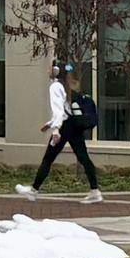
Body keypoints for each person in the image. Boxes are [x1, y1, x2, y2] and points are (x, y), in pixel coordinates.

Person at [15, 61, 103, 204]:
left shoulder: (55, 86)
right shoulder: (65, 85)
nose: (48, 70)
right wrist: (50, 124)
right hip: (73, 126)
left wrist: (55, 130)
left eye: (50, 68)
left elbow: (59, 111)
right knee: (83, 157)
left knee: (48, 159)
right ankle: (95, 191)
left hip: (64, 127)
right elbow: (65, 109)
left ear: (56, 71)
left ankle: (33, 191)